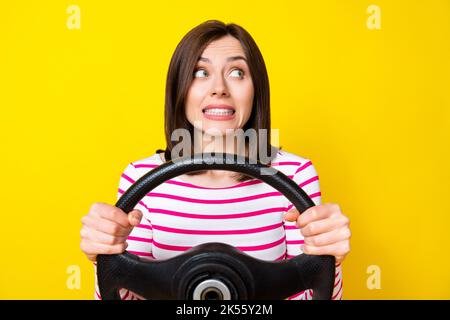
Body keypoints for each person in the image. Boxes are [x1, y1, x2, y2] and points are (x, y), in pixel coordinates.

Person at [80, 20, 351, 300]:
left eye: (236, 72)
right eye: (200, 72)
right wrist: (105, 258)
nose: (219, 88)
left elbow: (310, 294)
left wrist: (328, 259)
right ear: (180, 89)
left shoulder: (294, 173)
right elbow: (126, 296)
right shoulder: (142, 176)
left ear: (256, 89)